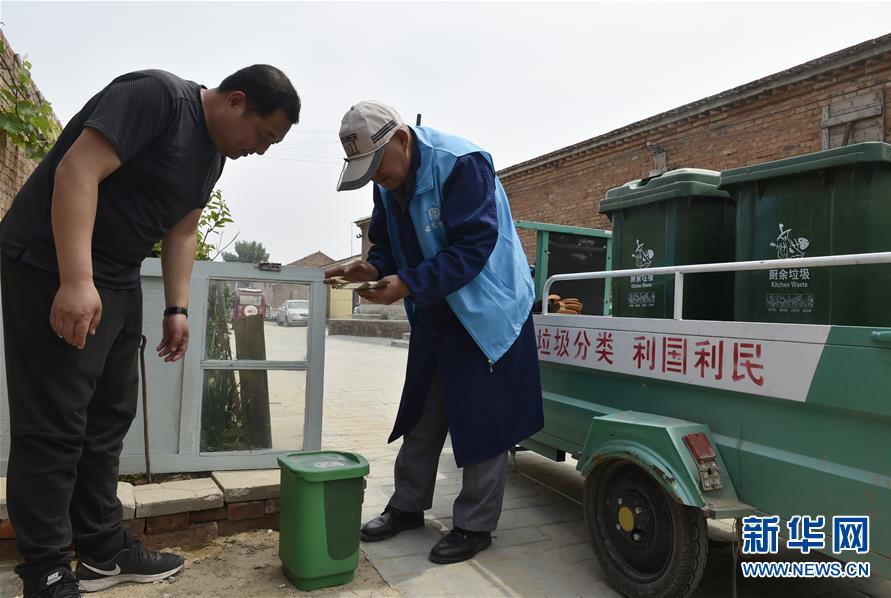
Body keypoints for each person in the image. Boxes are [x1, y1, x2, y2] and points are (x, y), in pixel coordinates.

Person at [0, 65, 299, 597]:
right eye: (264, 135)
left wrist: (177, 308)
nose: (262, 149)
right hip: (51, 266)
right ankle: (44, 571)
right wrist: (75, 280)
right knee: (54, 426)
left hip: (115, 278)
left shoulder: (212, 157)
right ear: (235, 101)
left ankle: (100, 550)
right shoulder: (157, 97)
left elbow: (182, 230)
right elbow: (77, 171)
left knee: (107, 419)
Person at [326, 101, 543, 564]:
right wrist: (370, 266)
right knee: (423, 412)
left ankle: (474, 525)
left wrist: (406, 283)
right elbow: (388, 245)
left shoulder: (462, 164)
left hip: (489, 310)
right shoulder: (388, 183)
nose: (378, 182)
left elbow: (474, 245)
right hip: (437, 309)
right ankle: (407, 506)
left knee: (482, 420)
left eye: (378, 170)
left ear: (402, 140)